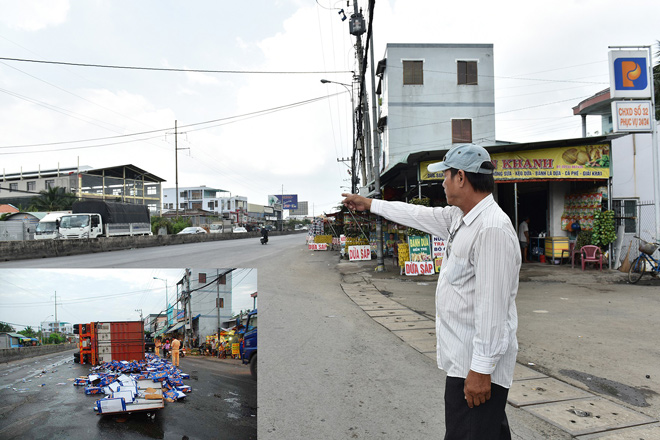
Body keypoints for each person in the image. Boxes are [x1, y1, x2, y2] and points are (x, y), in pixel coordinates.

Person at [342, 144, 520, 440]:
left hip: (474, 369)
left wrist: (480, 370)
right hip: (465, 363)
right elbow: (416, 214)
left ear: (461, 177)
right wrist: (371, 204)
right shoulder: (459, 218)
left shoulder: (491, 229)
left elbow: (493, 309)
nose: (443, 182)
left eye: (446, 176)